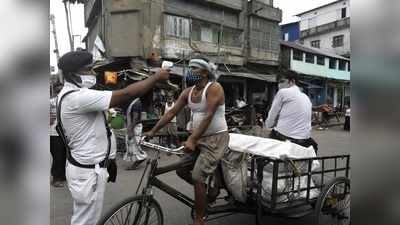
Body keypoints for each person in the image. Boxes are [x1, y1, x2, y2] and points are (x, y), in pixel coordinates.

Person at [57, 51, 169, 225]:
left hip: (90, 167)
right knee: (86, 221)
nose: (94, 73)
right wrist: (155, 78)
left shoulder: (75, 94)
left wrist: (110, 159)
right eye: (88, 70)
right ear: (73, 75)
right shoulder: (77, 97)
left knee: (86, 217)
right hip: (88, 171)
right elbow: (125, 94)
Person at [145, 57, 228, 225]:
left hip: (215, 139)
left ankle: (199, 217)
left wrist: (191, 139)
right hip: (197, 139)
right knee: (181, 170)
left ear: (205, 72)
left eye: (195, 69)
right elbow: (170, 113)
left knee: (197, 176)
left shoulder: (214, 88)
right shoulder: (188, 92)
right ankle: (206, 192)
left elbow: (208, 115)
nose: (190, 72)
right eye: (189, 68)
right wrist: (153, 131)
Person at [265, 70, 318, 153]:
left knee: (266, 143)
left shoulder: (283, 92)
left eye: (282, 81)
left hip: (284, 137)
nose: (279, 85)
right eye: (278, 83)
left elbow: (273, 113)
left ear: (292, 81)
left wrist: (268, 125)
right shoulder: (305, 97)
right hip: (304, 140)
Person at [50, 84, 67, 187]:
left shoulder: (66, 101)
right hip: (54, 134)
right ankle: (56, 179)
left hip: (65, 134)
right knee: (58, 156)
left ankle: (62, 175)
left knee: (64, 155)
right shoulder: (51, 102)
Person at [124, 98, 147, 170]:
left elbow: (135, 118)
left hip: (135, 127)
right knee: (132, 144)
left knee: (135, 144)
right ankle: (138, 159)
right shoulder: (134, 102)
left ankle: (141, 158)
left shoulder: (136, 103)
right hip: (133, 126)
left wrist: (130, 130)